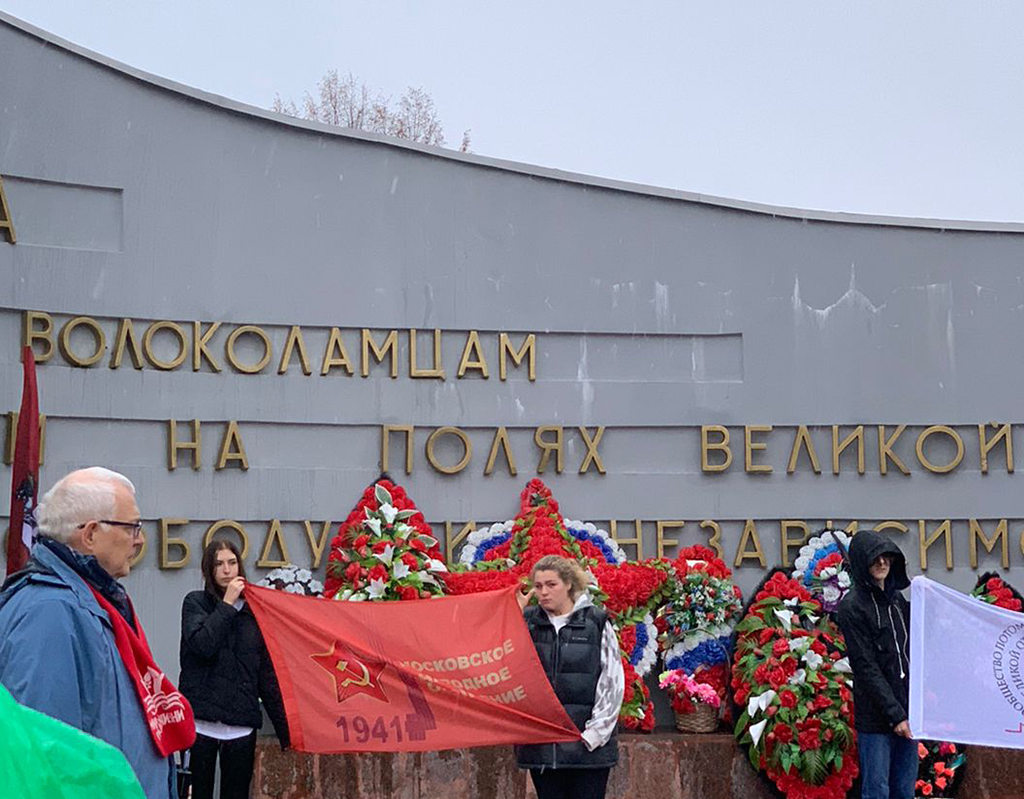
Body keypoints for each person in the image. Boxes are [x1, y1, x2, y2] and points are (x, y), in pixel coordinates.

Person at [0, 467, 186, 799]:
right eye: (132, 527)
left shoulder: (89, 602)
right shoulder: (49, 613)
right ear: (90, 534)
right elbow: (44, 768)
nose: (140, 539)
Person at [179, 539, 289, 799]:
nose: (226, 570)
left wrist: (285, 730)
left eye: (232, 562)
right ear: (208, 569)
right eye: (219, 564)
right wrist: (227, 605)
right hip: (201, 724)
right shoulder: (195, 603)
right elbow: (203, 645)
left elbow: (266, 675)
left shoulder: (254, 613)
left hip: (241, 725)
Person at [514, 555, 623, 799]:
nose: (543, 592)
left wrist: (594, 734)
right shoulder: (527, 622)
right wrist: (513, 617)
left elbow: (612, 680)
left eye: (551, 584)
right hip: (543, 748)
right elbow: (504, 665)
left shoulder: (596, 622)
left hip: (588, 748)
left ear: (569, 584)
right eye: (538, 586)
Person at [837, 530, 914, 799]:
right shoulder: (852, 607)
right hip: (876, 718)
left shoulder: (897, 601)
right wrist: (895, 715)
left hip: (907, 712)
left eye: (886, 557)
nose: (882, 563)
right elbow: (866, 666)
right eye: (874, 558)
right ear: (861, 562)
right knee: (877, 791)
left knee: (904, 791)